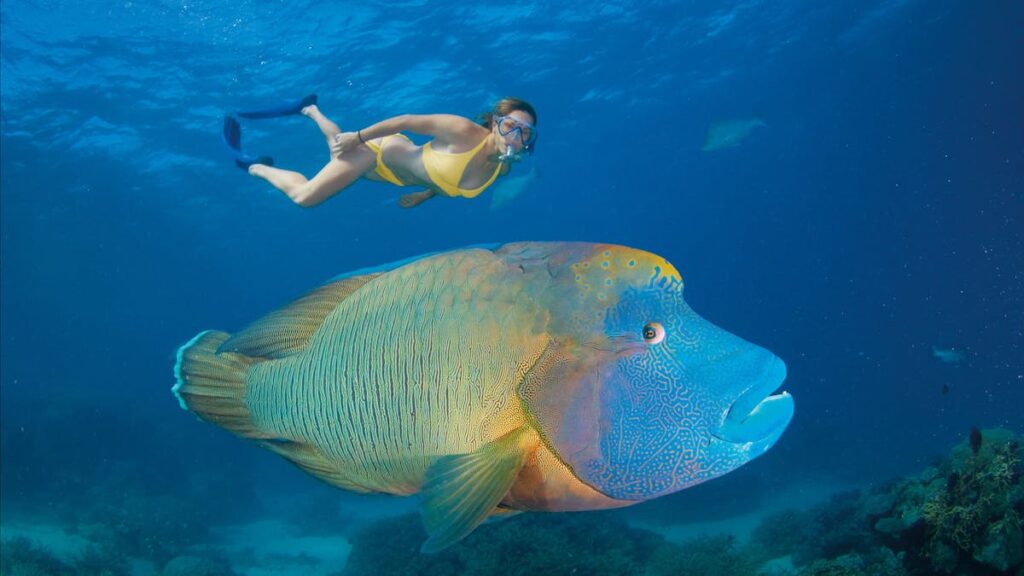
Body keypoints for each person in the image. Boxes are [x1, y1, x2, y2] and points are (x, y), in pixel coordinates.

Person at [223, 96, 537, 209]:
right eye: (511, 125)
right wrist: (358, 137)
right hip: (377, 153)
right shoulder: (464, 131)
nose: (516, 136)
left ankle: (311, 110)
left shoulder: (502, 169)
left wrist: (424, 196)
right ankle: (255, 166)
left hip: (385, 176)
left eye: (525, 132)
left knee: (337, 149)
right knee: (305, 198)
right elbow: (406, 121)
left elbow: (450, 179)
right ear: (495, 122)